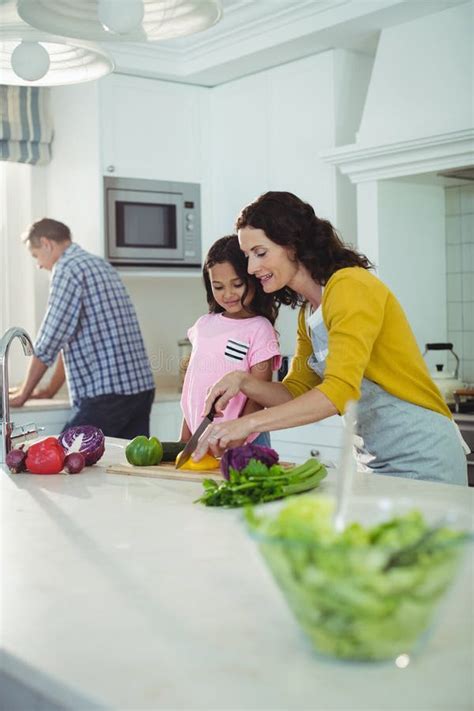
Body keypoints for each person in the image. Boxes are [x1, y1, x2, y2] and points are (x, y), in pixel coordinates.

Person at [193, 192, 468, 486]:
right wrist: (243, 381)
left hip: (423, 456)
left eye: (260, 253)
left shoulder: (350, 286)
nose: (250, 268)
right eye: (247, 256)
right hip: (374, 460)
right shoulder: (309, 313)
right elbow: (295, 391)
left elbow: (340, 391)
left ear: (293, 244)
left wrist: (246, 423)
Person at [9, 218, 155, 438]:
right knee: (123, 467)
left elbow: (50, 339)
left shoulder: (67, 268)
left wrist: (22, 395)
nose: (38, 264)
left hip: (108, 395)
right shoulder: (98, 264)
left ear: (47, 243)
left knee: (63, 460)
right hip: (140, 391)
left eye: (35, 255)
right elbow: (67, 338)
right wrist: (49, 390)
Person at [180, 234, 281, 448]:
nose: (228, 294)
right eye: (218, 287)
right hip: (203, 441)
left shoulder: (259, 328)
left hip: (244, 441)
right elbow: (192, 388)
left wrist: (236, 441)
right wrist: (185, 439)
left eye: (237, 284)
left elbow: (258, 395)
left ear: (252, 279)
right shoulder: (203, 325)